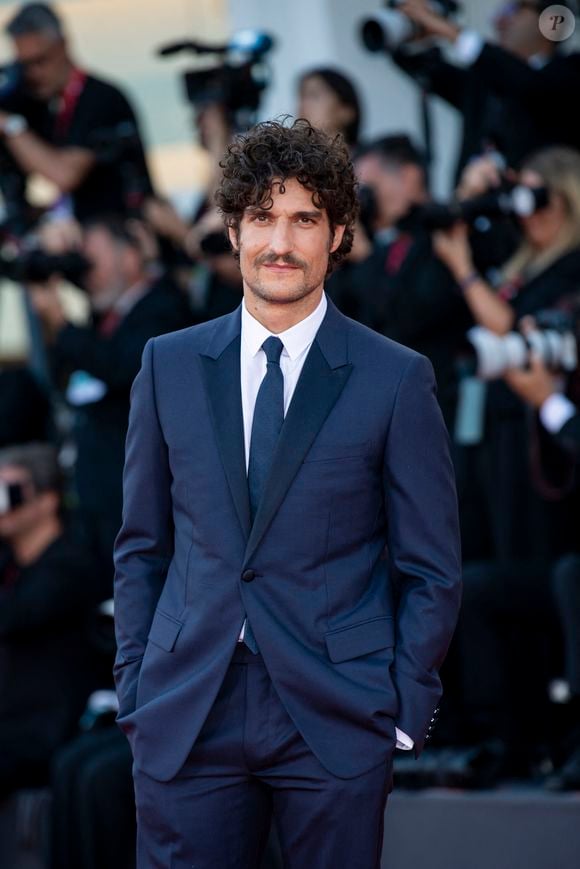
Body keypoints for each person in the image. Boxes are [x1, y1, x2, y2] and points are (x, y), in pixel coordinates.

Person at [113, 118, 461, 868]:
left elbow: (431, 566)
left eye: (305, 218)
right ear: (233, 229)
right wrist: (137, 685)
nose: (282, 241)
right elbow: (141, 546)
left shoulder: (396, 378)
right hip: (187, 705)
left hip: (336, 710)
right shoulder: (167, 364)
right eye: (264, 217)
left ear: (338, 235)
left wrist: (401, 705)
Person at [27, 216, 192, 596]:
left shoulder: (162, 306)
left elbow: (123, 369)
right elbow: (67, 382)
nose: (85, 272)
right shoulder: (102, 319)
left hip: (142, 493)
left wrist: (62, 323)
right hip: (100, 493)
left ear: (130, 257)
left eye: (91, 258)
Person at [330, 133, 472, 429]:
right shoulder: (379, 240)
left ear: (408, 177)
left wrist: (367, 259)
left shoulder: (445, 234)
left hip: (424, 408)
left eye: (370, 188)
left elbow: (411, 316)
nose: (365, 201)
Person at [0, 442, 100, 798]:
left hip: (45, 728)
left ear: (47, 500)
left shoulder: (70, 565)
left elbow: (15, 615)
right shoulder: (9, 564)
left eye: (9, 492)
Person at [391, 0, 580, 179]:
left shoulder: (571, 73)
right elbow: (427, 69)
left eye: (514, 9)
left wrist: (450, 31)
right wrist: (407, 23)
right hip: (470, 207)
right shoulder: (484, 81)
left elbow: (532, 88)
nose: (499, 21)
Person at [0, 2, 153, 222]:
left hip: (121, 234)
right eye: (24, 66)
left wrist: (10, 125)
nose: (33, 73)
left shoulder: (101, 98)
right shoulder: (37, 105)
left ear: (63, 45)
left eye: (40, 61)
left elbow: (64, 175)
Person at [297, 67, 362, 150]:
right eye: (302, 96)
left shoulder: (370, 160)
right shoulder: (290, 159)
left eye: (314, 96)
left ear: (346, 112)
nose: (303, 104)